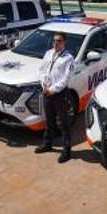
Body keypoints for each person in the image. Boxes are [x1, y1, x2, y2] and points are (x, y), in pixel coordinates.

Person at [35, 32, 75, 163]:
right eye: (54, 40)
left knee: (63, 123)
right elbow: (42, 71)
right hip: (46, 92)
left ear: (64, 42)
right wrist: (44, 86)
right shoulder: (48, 53)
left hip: (59, 94)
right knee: (49, 120)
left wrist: (52, 90)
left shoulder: (68, 58)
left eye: (59, 41)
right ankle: (47, 144)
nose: (56, 43)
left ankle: (67, 150)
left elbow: (66, 78)